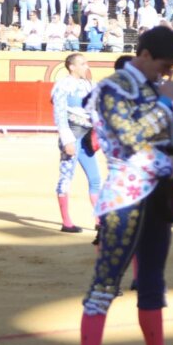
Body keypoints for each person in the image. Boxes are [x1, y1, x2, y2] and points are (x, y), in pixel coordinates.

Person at [76, 26, 173, 345]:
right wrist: (164, 104)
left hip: (156, 195)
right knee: (106, 283)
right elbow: (129, 137)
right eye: (163, 64)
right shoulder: (112, 87)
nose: (166, 72)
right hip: (124, 199)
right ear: (143, 54)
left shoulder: (151, 89)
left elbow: (166, 139)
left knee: (153, 283)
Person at [52, 52, 101, 233]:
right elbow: (59, 114)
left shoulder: (89, 84)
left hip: (86, 137)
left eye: (86, 63)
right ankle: (66, 222)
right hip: (72, 137)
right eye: (82, 64)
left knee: (95, 179)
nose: (86, 66)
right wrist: (67, 140)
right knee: (66, 178)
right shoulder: (62, 86)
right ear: (72, 67)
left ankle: (99, 221)